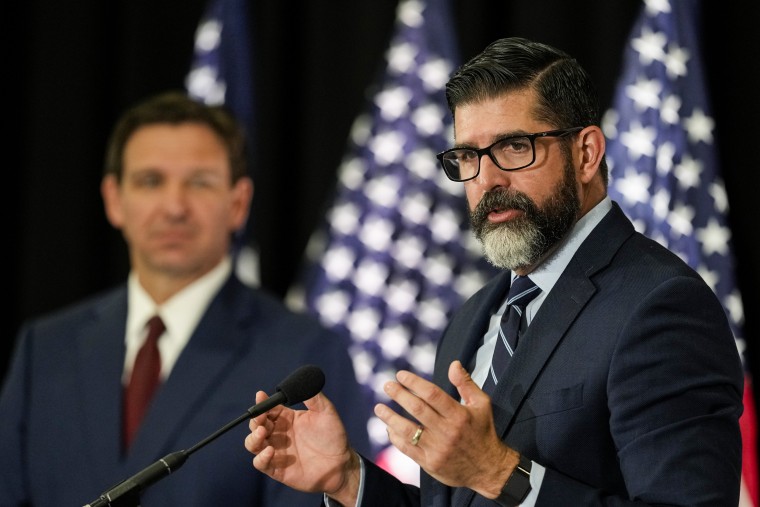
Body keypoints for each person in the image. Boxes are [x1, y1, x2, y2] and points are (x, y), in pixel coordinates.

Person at [242, 37, 744, 506]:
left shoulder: (661, 305)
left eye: (514, 147)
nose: (487, 179)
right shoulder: (475, 316)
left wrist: (501, 473)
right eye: (467, 156)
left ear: (586, 153)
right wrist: (350, 480)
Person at [0, 91, 371, 507]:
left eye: (199, 182)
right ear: (113, 199)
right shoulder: (45, 348)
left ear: (238, 202)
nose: (174, 207)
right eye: (150, 181)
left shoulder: (303, 355)